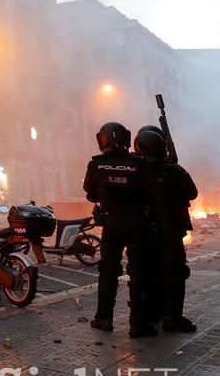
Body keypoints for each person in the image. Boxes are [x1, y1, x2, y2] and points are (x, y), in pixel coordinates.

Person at [84, 122, 156, 337]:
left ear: (102, 139)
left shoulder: (96, 165)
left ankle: (104, 318)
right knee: (138, 271)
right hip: (137, 223)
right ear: (126, 138)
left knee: (108, 270)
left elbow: (91, 194)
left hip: (112, 224)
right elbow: (150, 191)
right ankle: (137, 324)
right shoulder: (139, 163)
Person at [134, 127, 198, 333]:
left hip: (144, 233)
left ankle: (149, 314)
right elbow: (192, 192)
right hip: (170, 232)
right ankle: (172, 318)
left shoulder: (135, 169)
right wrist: (174, 165)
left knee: (147, 274)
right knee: (174, 275)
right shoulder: (173, 172)